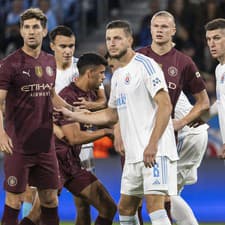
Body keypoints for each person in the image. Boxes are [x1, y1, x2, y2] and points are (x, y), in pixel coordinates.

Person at [58, 19, 179, 225]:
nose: (111, 43)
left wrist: (152, 144)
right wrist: (75, 115)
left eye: (117, 38)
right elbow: (111, 115)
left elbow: (166, 106)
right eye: (108, 39)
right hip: (134, 156)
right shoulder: (117, 75)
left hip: (155, 152)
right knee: (125, 208)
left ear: (130, 40)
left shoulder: (145, 66)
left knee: (155, 207)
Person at [21, 25, 108, 225]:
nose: (68, 51)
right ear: (52, 46)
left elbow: (103, 101)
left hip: (80, 143)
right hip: (49, 142)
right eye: (63, 46)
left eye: (71, 46)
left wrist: (89, 106)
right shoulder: (40, 70)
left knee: (83, 201)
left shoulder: (84, 68)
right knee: (37, 198)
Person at [0, 8, 75, 225]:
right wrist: (2, 134)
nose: (31, 32)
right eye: (27, 27)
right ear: (21, 32)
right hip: (18, 145)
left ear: (44, 31)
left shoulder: (50, 62)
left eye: (36, 27)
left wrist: (74, 111)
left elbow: (51, 95)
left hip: (45, 145)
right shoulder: (9, 64)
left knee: (50, 200)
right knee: (14, 200)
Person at [135, 11, 210, 224]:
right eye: (156, 26)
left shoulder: (183, 62)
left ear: (173, 31)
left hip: (182, 136)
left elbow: (204, 102)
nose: (159, 30)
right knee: (148, 192)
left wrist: (180, 123)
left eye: (165, 27)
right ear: (150, 29)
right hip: (150, 135)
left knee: (161, 191)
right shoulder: (138, 58)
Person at [171, 91, 209, 225]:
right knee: (171, 192)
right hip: (195, 131)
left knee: (162, 190)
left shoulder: (145, 75)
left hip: (186, 133)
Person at [205, 18, 225, 159]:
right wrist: (200, 117)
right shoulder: (219, 69)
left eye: (217, 38)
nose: (212, 44)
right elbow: (221, 103)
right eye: (208, 39)